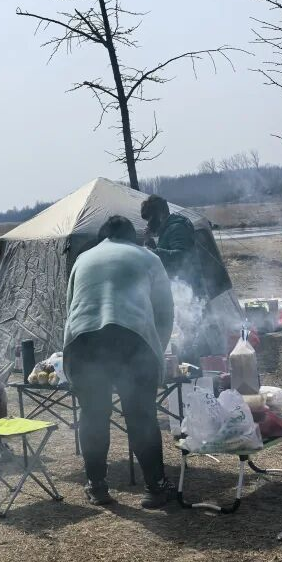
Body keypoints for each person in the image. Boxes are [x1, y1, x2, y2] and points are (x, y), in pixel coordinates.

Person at [63, 215, 175, 508]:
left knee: (93, 414)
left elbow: (70, 308)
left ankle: (97, 486)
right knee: (141, 416)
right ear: (132, 237)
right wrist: (156, 351)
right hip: (131, 340)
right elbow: (165, 312)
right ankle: (155, 488)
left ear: (103, 237)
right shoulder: (147, 257)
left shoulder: (83, 259)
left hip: (84, 342)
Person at [140, 195, 204, 297]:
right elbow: (166, 252)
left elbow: (183, 256)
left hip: (189, 290)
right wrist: (148, 241)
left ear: (160, 215)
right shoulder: (167, 228)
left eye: (150, 219)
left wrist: (152, 252)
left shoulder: (177, 228)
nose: (148, 224)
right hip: (179, 287)